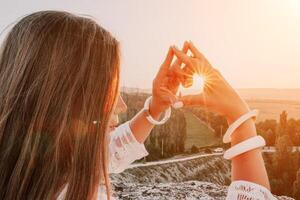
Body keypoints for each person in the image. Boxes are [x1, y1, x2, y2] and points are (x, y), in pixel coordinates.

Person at [0, 10, 275, 200]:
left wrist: (154, 108)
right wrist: (240, 119)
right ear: (65, 103)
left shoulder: (33, 167)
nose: (120, 106)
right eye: (107, 94)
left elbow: (106, 152)